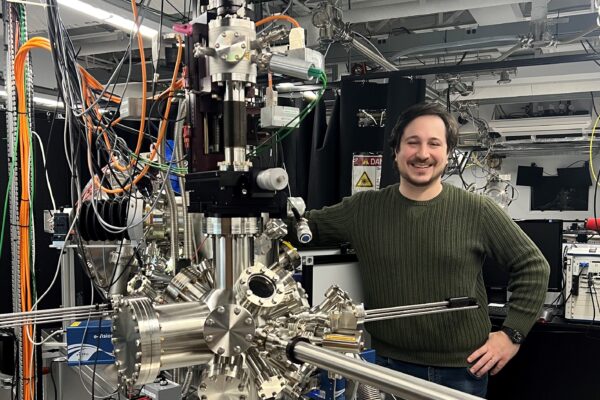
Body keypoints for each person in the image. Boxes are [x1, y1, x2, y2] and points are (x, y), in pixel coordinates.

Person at [299, 102, 550, 397]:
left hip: (462, 370)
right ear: (396, 151)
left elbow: (533, 266)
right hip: (388, 367)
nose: (422, 154)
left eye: (434, 144)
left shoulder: (477, 210)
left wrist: (511, 335)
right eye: (412, 142)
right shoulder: (363, 209)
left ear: (447, 155)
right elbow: (305, 227)